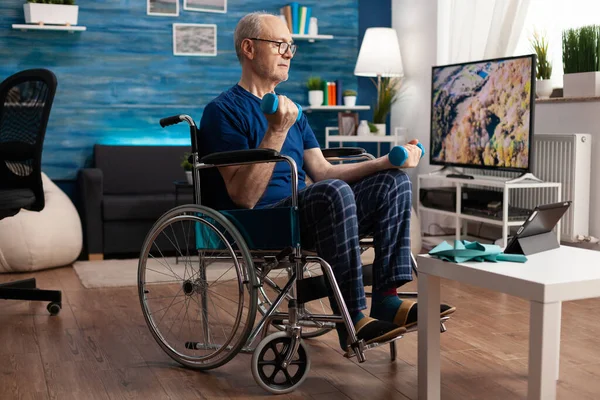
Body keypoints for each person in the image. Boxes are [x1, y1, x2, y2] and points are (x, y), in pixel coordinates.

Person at [198, 11, 455, 351]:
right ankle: (353, 320)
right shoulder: (222, 111)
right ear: (248, 48)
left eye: (290, 46)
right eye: (279, 45)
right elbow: (244, 196)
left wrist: (385, 161)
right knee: (332, 193)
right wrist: (276, 129)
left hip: (309, 214)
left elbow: (322, 171)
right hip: (261, 221)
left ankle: (387, 300)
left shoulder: (294, 111)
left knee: (393, 183)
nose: (288, 53)